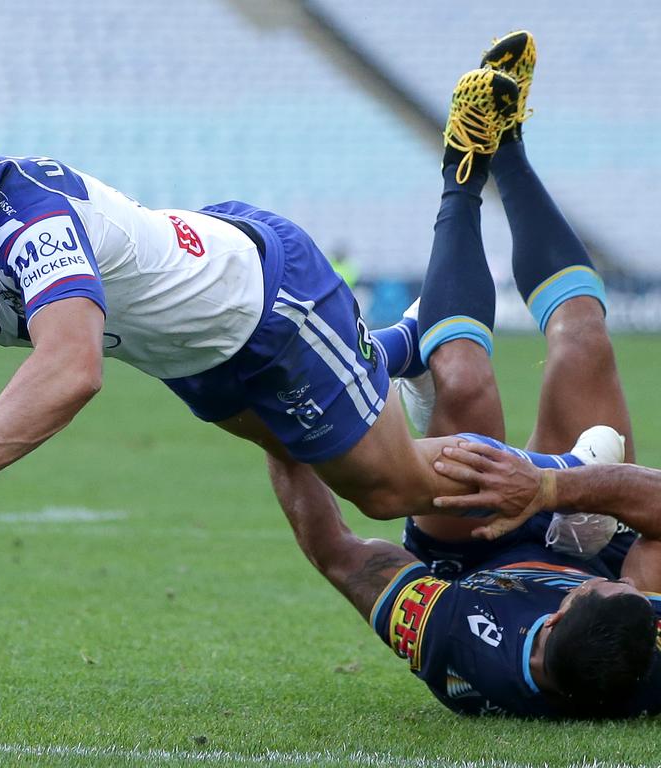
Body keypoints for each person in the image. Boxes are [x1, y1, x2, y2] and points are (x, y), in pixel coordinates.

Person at [0, 61, 590, 556]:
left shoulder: (32, 220)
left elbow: (70, 369)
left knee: (385, 490)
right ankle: (395, 351)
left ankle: (578, 484)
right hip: (191, 355)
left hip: (267, 309)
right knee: (330, 456)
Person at [269, 31, 661, 718]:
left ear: (562, 612)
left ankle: (461, 174)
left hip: (466, 559)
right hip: (575, 538)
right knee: (584, 342)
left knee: (465, 381)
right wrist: (548, 487)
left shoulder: (453, 638)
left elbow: (339, 554)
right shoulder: (645, 661)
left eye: (608, 590)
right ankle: (504, 145)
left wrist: (282, 421)